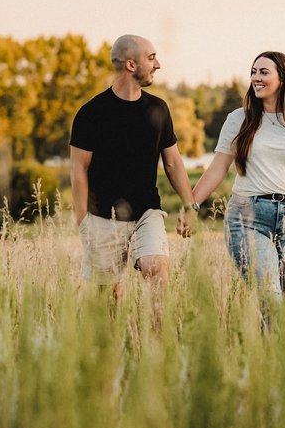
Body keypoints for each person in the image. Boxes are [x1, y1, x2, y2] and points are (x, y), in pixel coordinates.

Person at [191, 51, 285, 298]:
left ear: (283, 79)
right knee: (270, 300)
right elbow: (217, 168)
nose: (256, 78)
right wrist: (191, 205)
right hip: (248, 217)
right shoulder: (239, 119)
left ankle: (268, 339)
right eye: (253, 72)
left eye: (264, 72)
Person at [70, 35, 195, 297]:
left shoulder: (158, 109)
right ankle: (116, 339)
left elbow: (172, 162)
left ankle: (159, 339)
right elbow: (79, 170)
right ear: (130, 64)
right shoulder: (91, 113)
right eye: (151, 58)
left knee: (157, 269)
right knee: (106, 298)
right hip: (102, 217)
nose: (157, 64)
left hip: (147, 212)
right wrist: (83, 221)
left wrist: (189, 204)